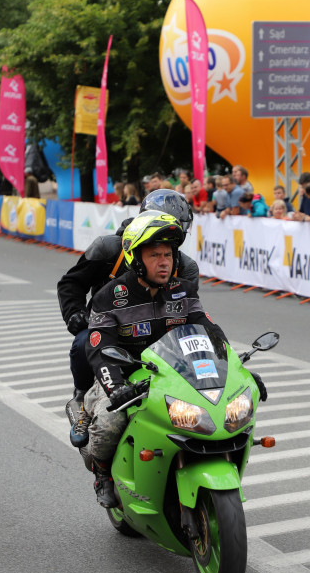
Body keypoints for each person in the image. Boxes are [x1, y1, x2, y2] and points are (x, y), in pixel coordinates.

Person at [82, 210, 229, 507]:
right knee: (110, 423)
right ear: (136, 259)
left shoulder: (184, 292)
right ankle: (102, 474)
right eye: (155, 255)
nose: (164, 262)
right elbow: (99, 350)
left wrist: (239, 371)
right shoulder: (109, 297)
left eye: (168, 255)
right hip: (124, 376)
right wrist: (116, 388)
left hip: (174, 375)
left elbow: (211, 332)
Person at [57, 189, 198, 444]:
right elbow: (70, 284)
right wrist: (74, 313)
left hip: (159, 343)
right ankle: (82, 401)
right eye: (154, 251)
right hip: (108, 332)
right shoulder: (107, 248)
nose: (162, 257)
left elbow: (194, 319)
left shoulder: (185, 267)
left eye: (167, 248)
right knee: (82, 342)